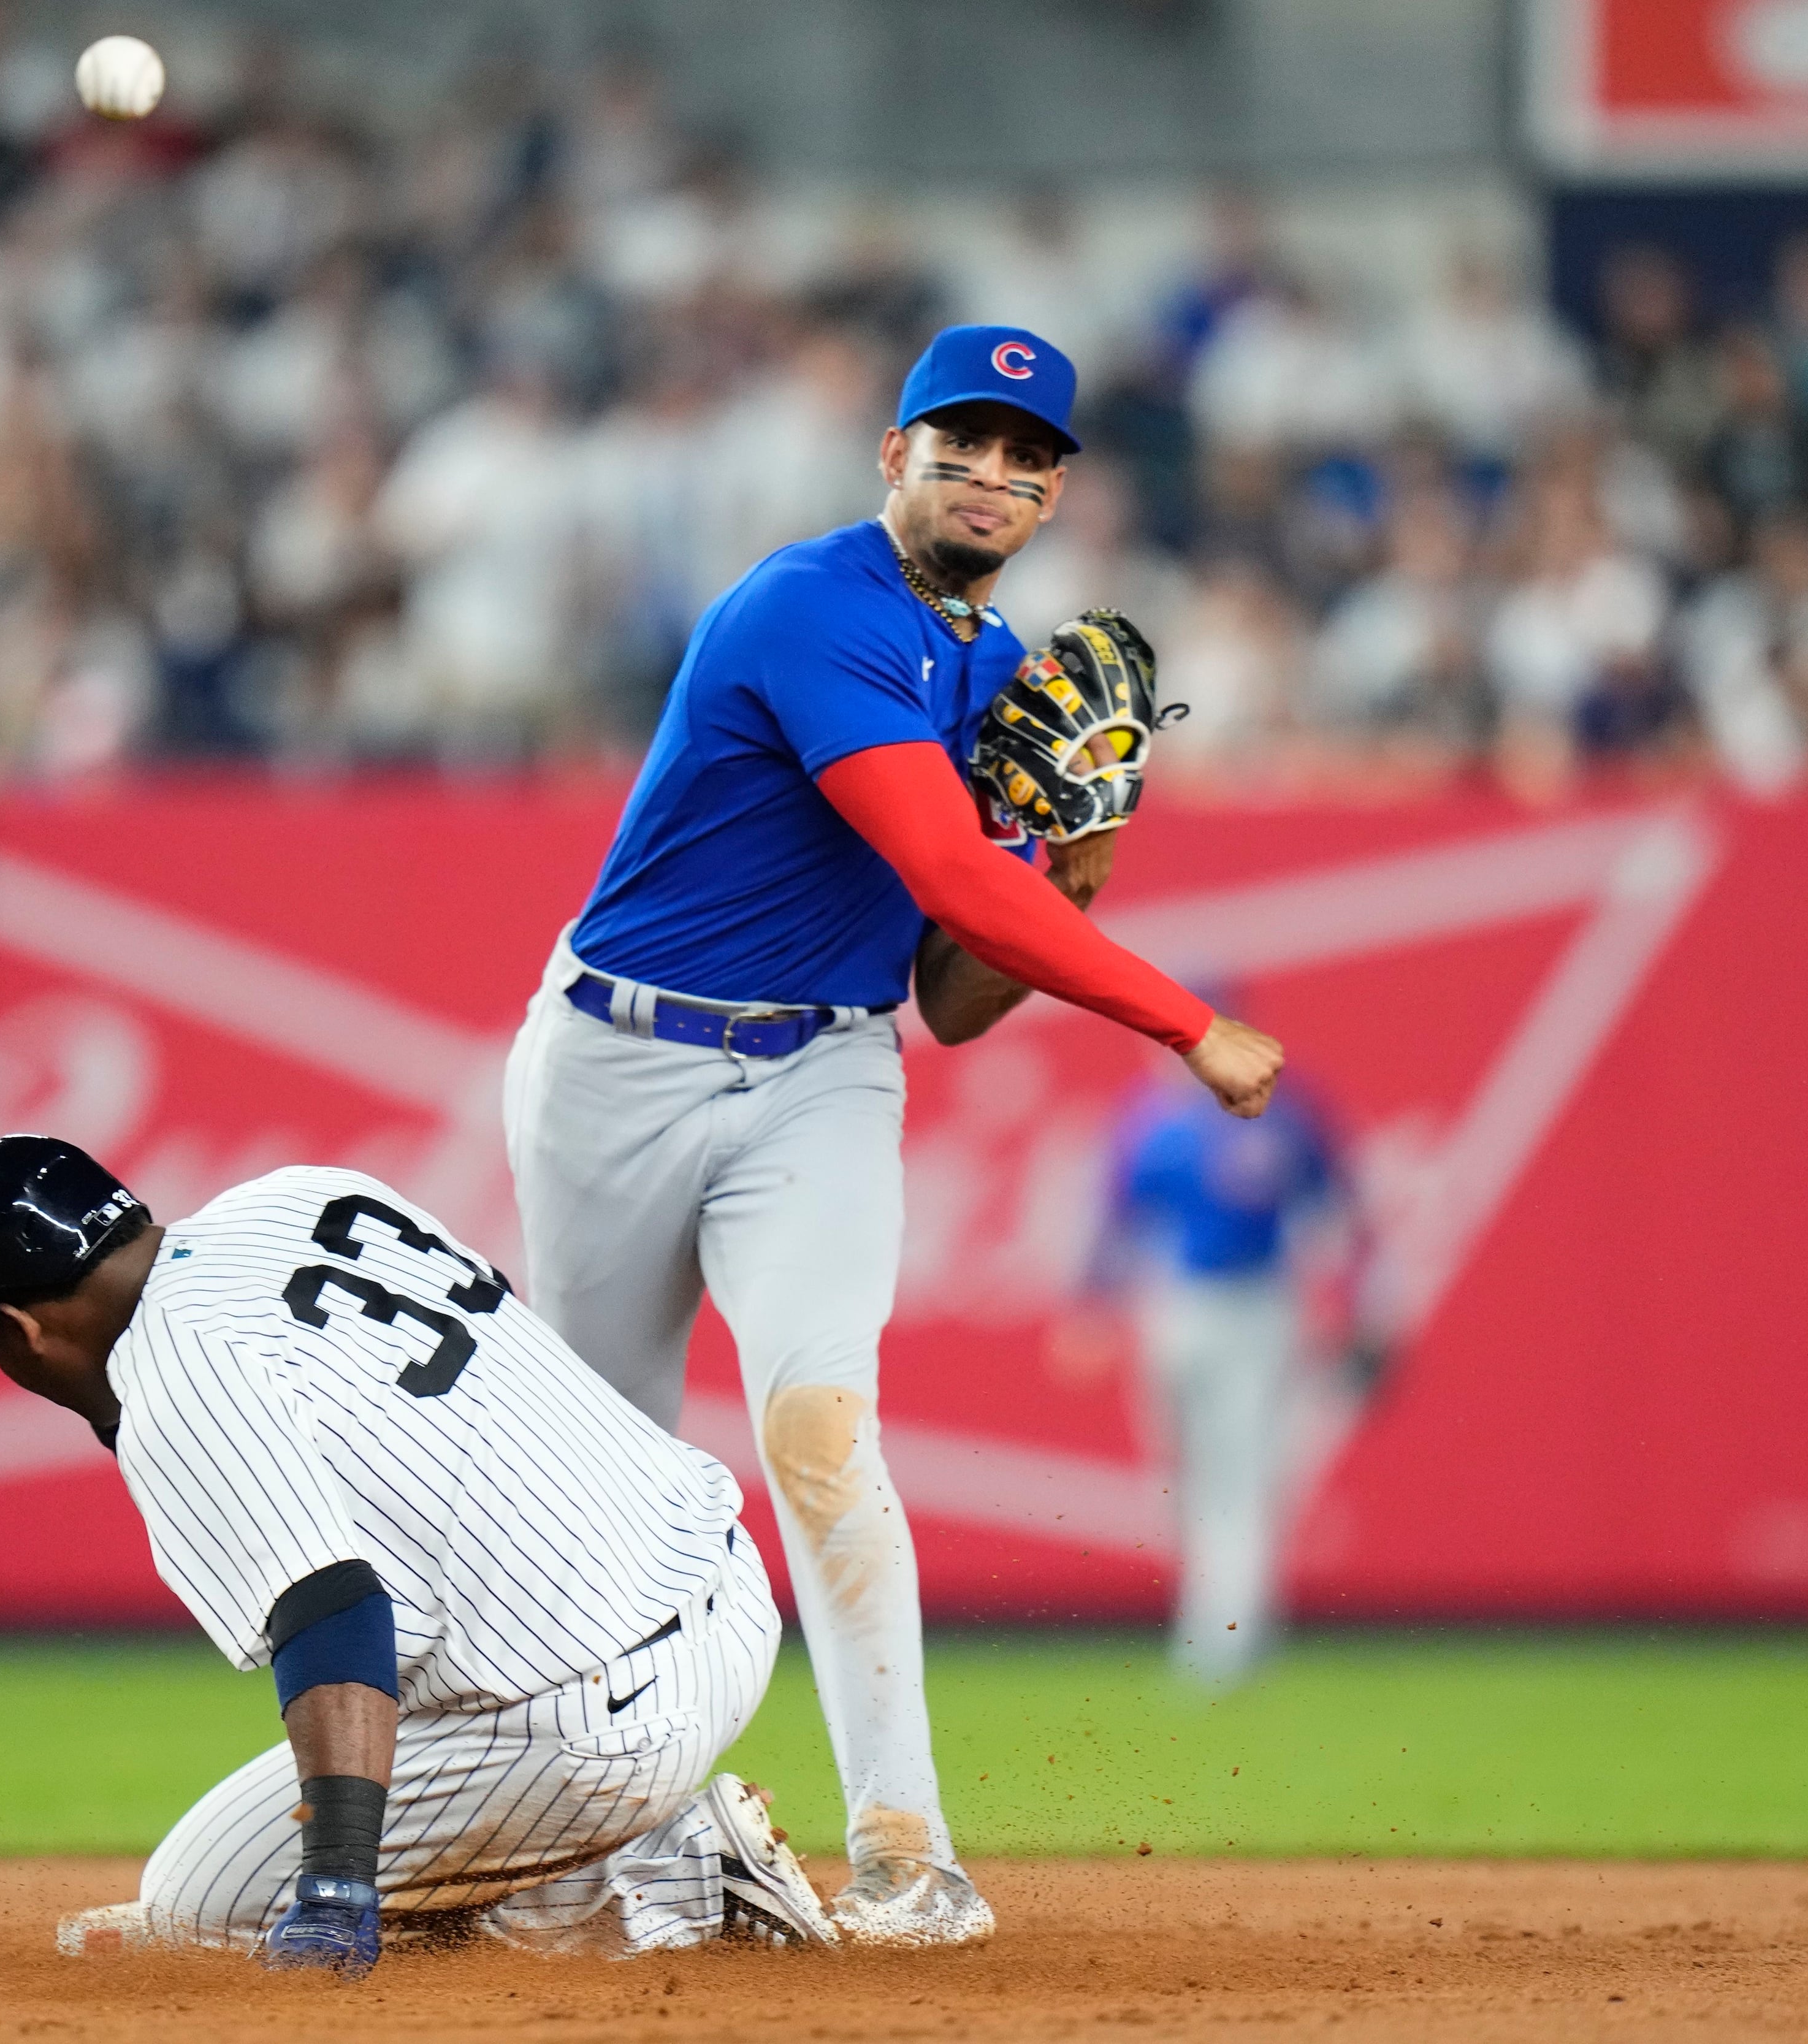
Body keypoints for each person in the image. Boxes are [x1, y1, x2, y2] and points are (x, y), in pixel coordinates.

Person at [502, 323, 1284, 1946]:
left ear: (1057, 491)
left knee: (819, 1428)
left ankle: (909, 1853)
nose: (991, 472)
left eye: (1026, 454)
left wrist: (1076, 863)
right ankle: (608, 1839)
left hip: (823, 1077)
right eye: (962, 440)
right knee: (597, 1484)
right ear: (894, 453)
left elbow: (954, 992)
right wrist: (1182, 1018)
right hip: (614, 1065)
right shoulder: (810, 608)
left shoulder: (1001, 680)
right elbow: (946, 874)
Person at [0, 1135, 837, 1972]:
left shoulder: (173, 1377)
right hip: (726, 1585)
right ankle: (625, 1848)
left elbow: (335, 1609)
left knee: (196, 1902)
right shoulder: (299, 1197)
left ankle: (665, 1875)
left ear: (19, 1331)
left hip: (602, 1731)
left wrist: (338, 1882)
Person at [1070, 1072, 1364, 1688]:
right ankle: (1228, 1626)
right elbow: (1339, 1216)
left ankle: (1224, 1638)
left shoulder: (1160, 1120)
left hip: (1220, 1309)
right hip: (1213, 1307)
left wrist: (1090, 1306)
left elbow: (1114, 1224)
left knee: (1224, 1481)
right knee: (1205, 1481)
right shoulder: (1275, 1116)